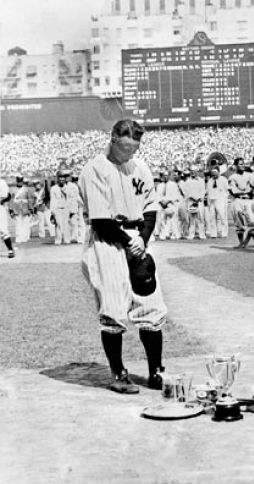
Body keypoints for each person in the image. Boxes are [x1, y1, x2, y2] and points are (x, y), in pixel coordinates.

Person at [78, 119, 168, 394]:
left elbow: (151, 208)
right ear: (113, 139)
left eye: (134, 149)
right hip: (108, 240)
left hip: (137, 238)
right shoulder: (95, 169)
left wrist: (143, 239)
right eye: (125, 148)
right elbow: (101, 219)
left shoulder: (140, 167)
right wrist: (131, 242)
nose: (129, 154)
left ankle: (155, 372)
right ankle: (118, 374)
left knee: (151, 306)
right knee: (114, 309)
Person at [50, 170, 74, 245]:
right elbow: (53, 200)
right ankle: (58, 240)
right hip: (57, 208)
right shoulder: (54, 188)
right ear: (57, 178)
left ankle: (67, 239)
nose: (61, 179)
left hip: (66, 208)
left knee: (66, 224)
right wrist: (53, 211)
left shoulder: (68, 188)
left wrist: (70, 209)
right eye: (60, 177)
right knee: (58, 224)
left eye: (63, 178)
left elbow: (71, 199)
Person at [206, 165, 229, 238]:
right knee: (212, 217)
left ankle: (224, 233)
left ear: (219, 172)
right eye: (212, 172)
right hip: (212, 200)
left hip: (221, 199)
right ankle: (213, 234)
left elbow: (227, 190)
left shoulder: (223, 179)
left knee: (222, 217)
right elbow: (208, 190)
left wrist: (224, 198)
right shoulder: (210, 180)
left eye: (215, 172)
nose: (213, 174)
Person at [0, 175, 15, 258]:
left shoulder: (2, 182)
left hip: (0, 208)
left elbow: (8, 196)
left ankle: (10, 250)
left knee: (3, 230)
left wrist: (1, 200)